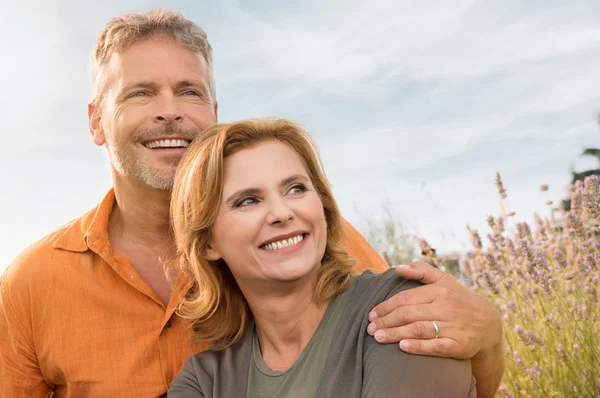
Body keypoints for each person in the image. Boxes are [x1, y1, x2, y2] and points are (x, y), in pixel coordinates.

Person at [0, 9, 503, 398]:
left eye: (189, 91)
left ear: (214, 114)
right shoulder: (29, 285)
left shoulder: (310, 238)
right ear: (95, 121)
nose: (170, 112)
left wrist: (488, 337)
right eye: (140, 94)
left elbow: (418, 347)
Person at [167, 118, 477, 397]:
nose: (282, 213)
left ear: (323, 207)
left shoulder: (401, 308)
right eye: (248, 201)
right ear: (208, 243)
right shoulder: (205, 381)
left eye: (295, 189)